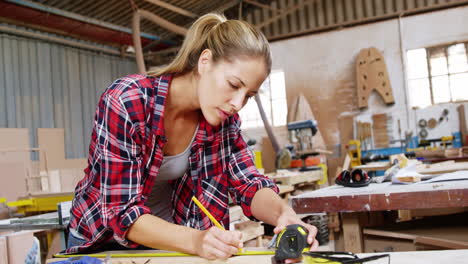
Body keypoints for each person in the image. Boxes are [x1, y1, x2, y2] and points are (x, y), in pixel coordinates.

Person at [65, 13, 319, 260]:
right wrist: (196, 240)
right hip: (103, 243)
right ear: (205, 61)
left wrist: (283, 214)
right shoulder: (126, 101)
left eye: (249, 95)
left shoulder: (223, 123)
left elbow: (248, 183)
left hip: (169, 241)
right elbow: (121, 212)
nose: (237, 103)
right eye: (233, 85)